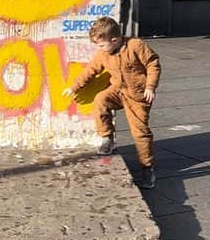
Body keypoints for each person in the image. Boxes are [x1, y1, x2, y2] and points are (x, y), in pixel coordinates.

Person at [63, 17, 161, 189]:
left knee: (140, 133)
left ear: (115, 40)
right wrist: (74, 87)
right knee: (101, 99)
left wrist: (150, 87)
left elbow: (153, 64)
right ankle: (107, 137)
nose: (99, 49)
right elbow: (91, 70)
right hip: (118, 91)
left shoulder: (135, 46)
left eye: (101, 45)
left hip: (138, 96)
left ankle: (147, 168)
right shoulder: (104, 54)